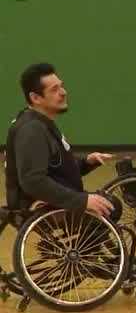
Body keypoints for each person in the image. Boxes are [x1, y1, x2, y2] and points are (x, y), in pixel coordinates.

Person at [5, 63, 115, 217]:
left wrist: (87, 162)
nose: (63, 92)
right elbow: (33, 181)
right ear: (35, 97)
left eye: (61, 86)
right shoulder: (32, 130)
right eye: (54, 90)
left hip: (57, 201)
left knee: (110, 204)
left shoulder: (42, 123)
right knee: (109, 206)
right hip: (42, 208)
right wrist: (81, 200)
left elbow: (56, 167)